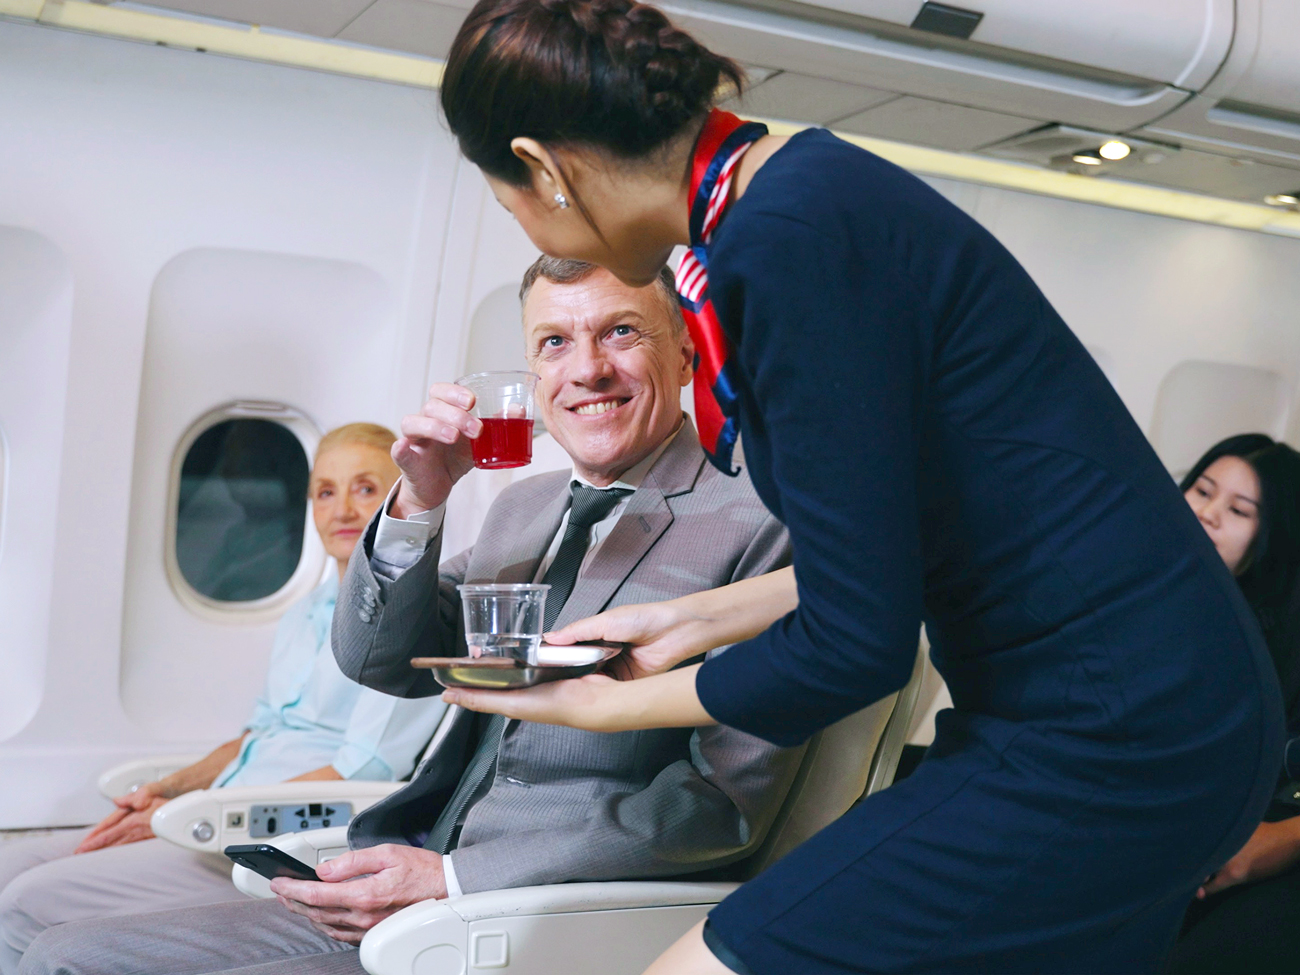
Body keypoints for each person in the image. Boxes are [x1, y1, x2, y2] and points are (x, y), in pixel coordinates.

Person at [385, 2, 1288, 972]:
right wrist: (693, 621)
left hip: (1112, 732)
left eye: (507, 198)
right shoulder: (798, 187)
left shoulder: (784, 248)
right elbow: (894, 545)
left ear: (546, 166)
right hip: (1152, 702)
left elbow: (854, 649)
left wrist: (603, 706)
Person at [17, 258, 800, 975]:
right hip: (398, 872)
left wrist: (454, 877)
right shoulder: (524, 508)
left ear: (688, 352)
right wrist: (421, 501)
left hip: (524, 913)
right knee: (56, 949)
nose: (587, 367)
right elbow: (377, 659)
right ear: (532, 373)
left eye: (621, 331)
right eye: (555, 342)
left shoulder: (756, 524)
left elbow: (720, 804)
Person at [0, 423, 445, 973]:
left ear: (398, 498)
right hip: (224, 812)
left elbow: (368, 767)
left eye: (366, 488)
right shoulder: (302, 613)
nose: (343, 510)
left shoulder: (412, 622)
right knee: (10, 864)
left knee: (27, 901)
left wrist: (198, 814)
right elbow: (258, 735)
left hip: (280, 833)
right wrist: (169, 790)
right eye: (325, 492)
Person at [1169, 435, 1300, 974]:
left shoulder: (1276, 644)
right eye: (1201, 490)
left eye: (1239, 510)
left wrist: (1280, 841)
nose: (1207, 513)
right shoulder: (1153, 598)